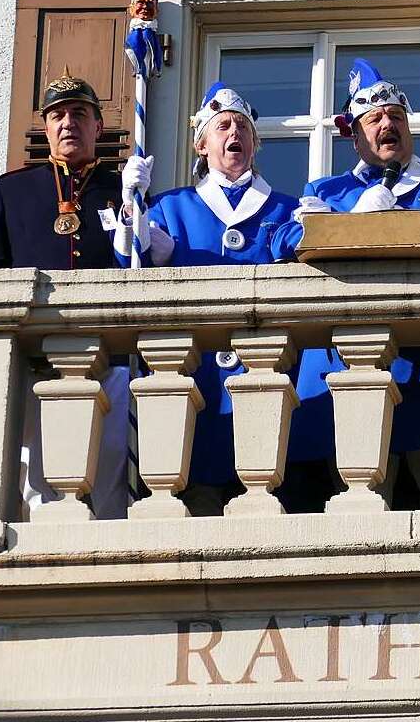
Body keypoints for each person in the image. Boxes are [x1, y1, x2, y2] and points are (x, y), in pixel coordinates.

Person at [274, 58, 420, 510]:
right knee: (360, 502)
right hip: (351, 367)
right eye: (375, 118)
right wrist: (349, 224)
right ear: (354, 133)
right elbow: (284, 241)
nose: (388, 125)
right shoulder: (326, 191)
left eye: (397, 117)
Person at [117, 82, 299, 516]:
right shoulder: (170, 206)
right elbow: (135, 260)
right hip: (197, 384)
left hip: (267, 374)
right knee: (197, 501)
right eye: (222, 126)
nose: (233, 132)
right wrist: (131, 209)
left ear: (255, 143)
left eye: (242, 126)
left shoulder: (287, 208)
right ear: (202, 144)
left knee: (269, 505)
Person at [0, 70, 130, 520]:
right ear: (45, 128)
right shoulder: (10, 191)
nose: (67, 124)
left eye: (79, 114)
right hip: (36, 362)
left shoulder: (124, 191)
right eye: (57, 115)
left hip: (111, 359)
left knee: (112, 484)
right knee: (40, 491)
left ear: (98, 125)